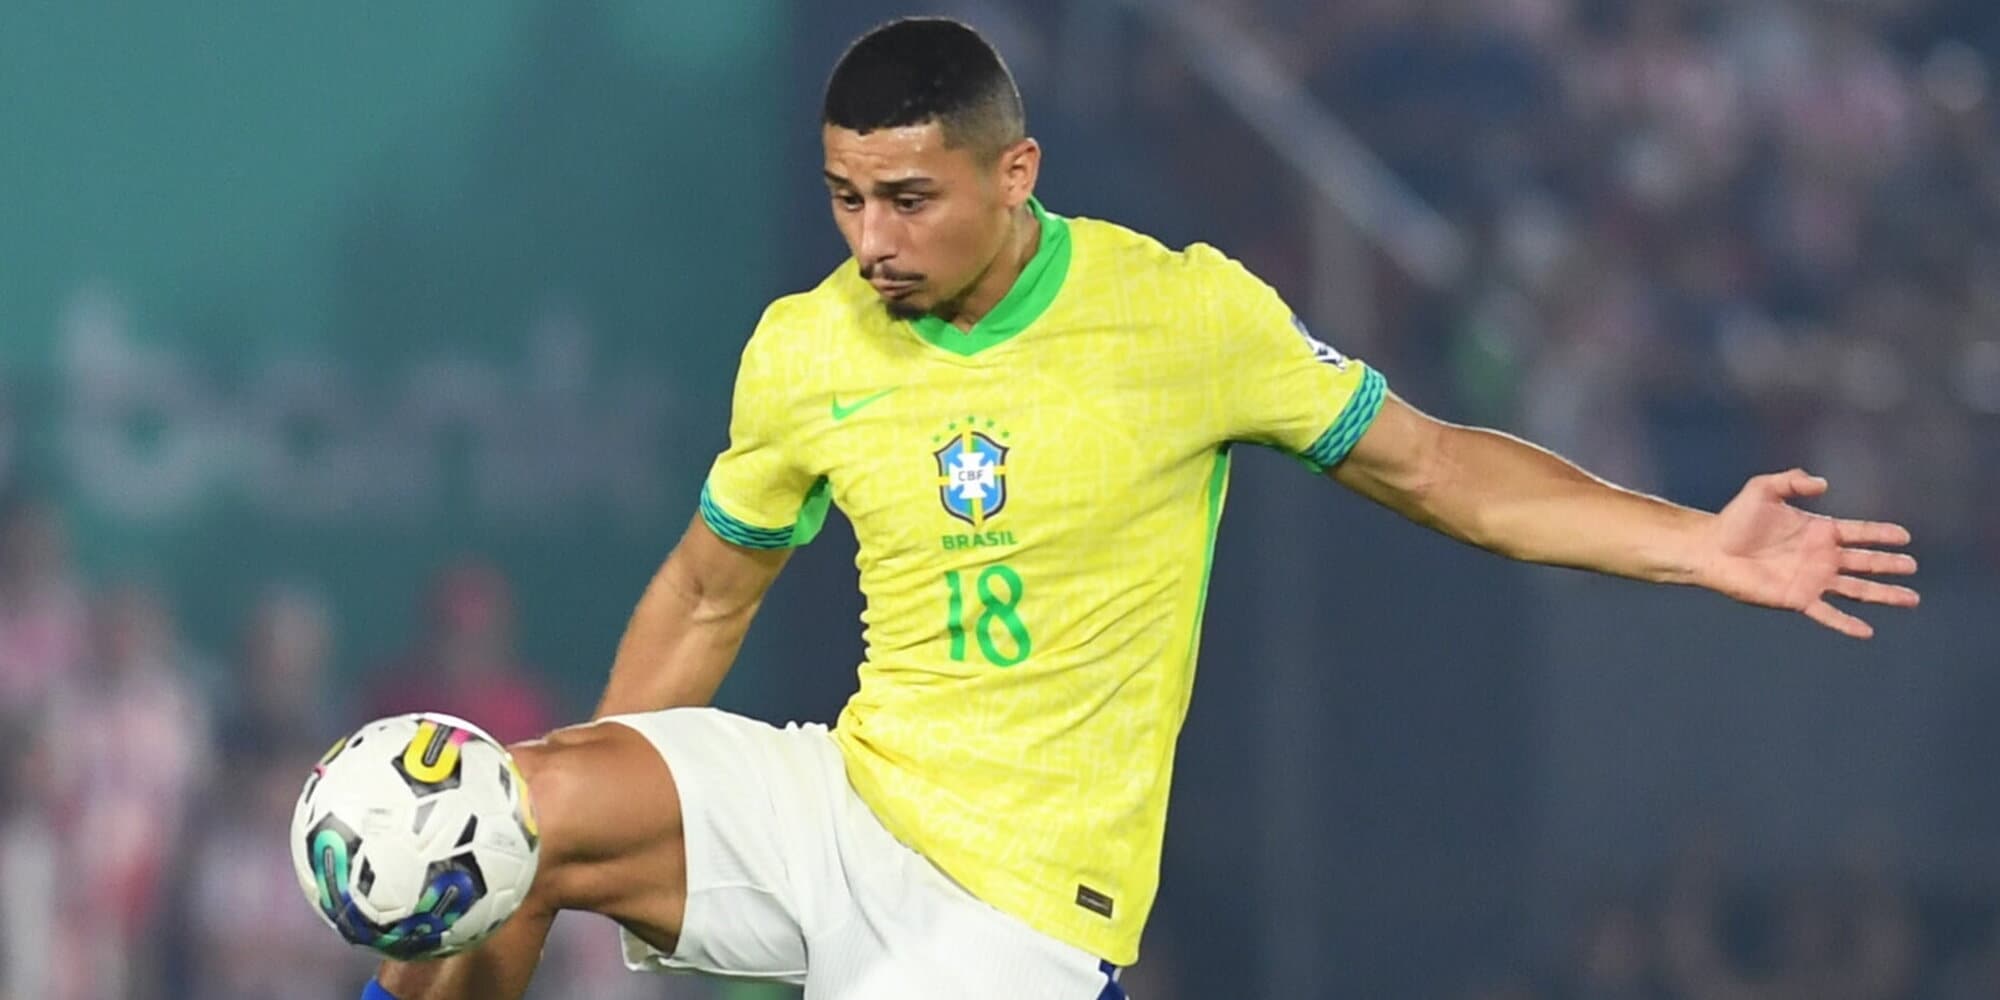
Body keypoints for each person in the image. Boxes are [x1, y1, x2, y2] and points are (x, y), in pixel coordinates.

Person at [362, 17, 1918, 1000]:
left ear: (1016, 173)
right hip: (846, 805)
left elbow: (1437, 467)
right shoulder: (808, 346)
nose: (871, 238)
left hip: (1018, 918)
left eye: (909, 198)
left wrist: (1694, 540)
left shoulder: (1181, 318)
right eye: (846, 196)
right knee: (512, 818)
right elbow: (711, 591)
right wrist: (618, 794)